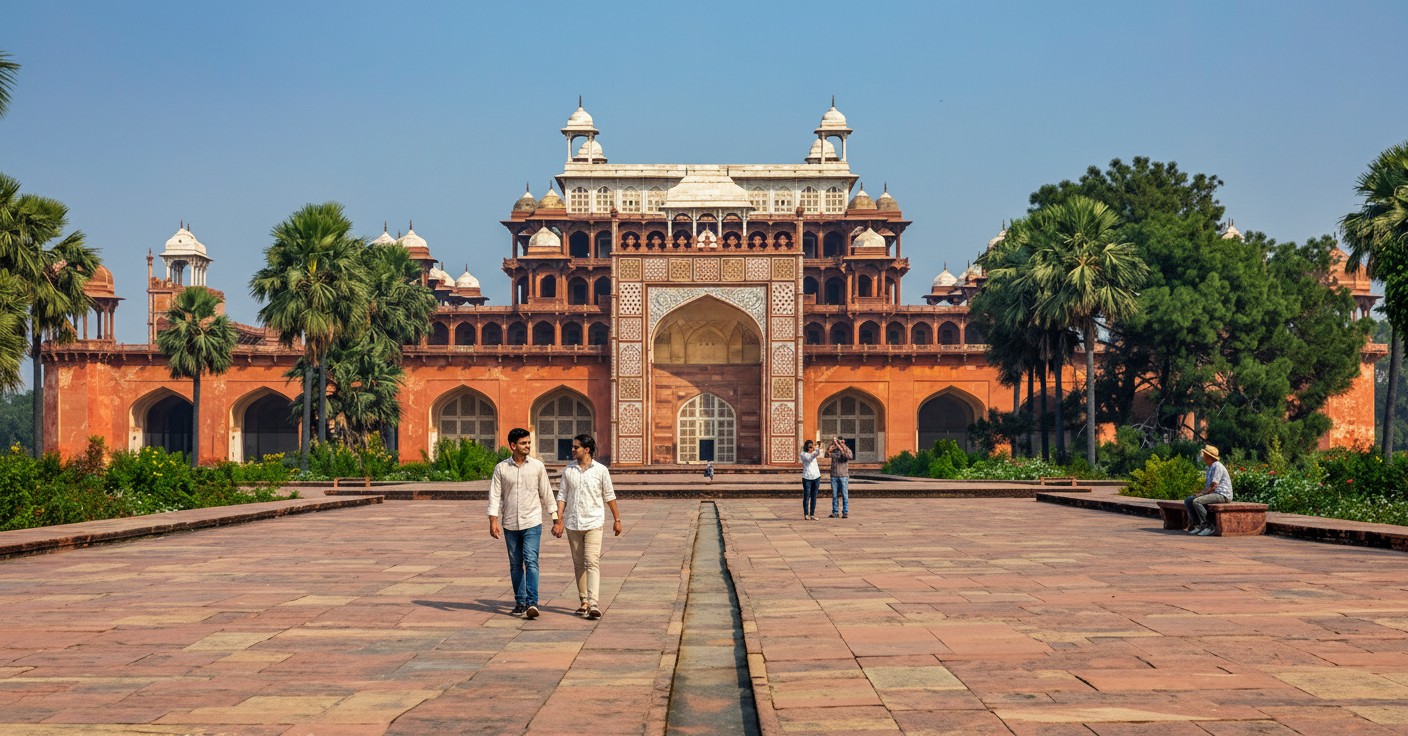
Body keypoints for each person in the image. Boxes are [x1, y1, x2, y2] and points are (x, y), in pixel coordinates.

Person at [487, 427, 556, 619]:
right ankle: (520, 602)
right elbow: (495, 496)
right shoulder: (501, 468)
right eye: (523, 443)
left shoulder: (537, 466)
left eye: (529, 443)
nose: (527, 446)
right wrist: (493, 520)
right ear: (512, 445)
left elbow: (547, 492)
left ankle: (532, 602)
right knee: (515, 564)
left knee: (531, 561)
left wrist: (555, 518)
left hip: (532, 521)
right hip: (510, 523)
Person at [552, 433, 620, 619]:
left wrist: (617, 519)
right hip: (573, 523)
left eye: (576, 447)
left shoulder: (601, 470)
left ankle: (594, 603)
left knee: (592, 561)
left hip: (594, 522)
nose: (573, 450)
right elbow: (562, 496)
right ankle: (584, 601)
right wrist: (559, 519)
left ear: (587, 449)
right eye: (573, 447)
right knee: (578, 563)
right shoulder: (569, 470)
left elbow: (609, 495)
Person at [1184, 445, 1233, 536]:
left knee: (1197, 501)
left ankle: (1208, 526)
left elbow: (1214, 486)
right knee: (1188, 500)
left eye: (1205, 455)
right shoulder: (1210, 467)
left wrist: (1201, 494)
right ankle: (1197, 525)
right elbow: (1209, 486)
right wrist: (1201, 493)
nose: (1203, 457)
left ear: (1209, 457)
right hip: (1215, 494)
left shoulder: (1217, 466)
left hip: (1222, 495)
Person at [827, 435, 853, 519]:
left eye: (841, 441)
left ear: (843, 442)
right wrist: (830, 449)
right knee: (834, 495)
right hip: (834, 475)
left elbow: (849, 456)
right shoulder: (833, 450)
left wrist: (840, 445)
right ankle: (835, 512)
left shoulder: (846, 449)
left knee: (844, 495)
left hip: (843, 475)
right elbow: (826, 455)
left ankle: (845, 512)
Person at [799, 439, 822, 520]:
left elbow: (817, 453)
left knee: (814, 497)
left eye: (811, 447)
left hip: (816, 477)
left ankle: (812, 514)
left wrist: (818, 447)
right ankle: (806, 514)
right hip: (807, 478)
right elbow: (809, 458)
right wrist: (815, 450)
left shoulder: (814, 453)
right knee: (807, 496)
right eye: (809, 447)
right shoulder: (803, 454)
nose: (811, 448)